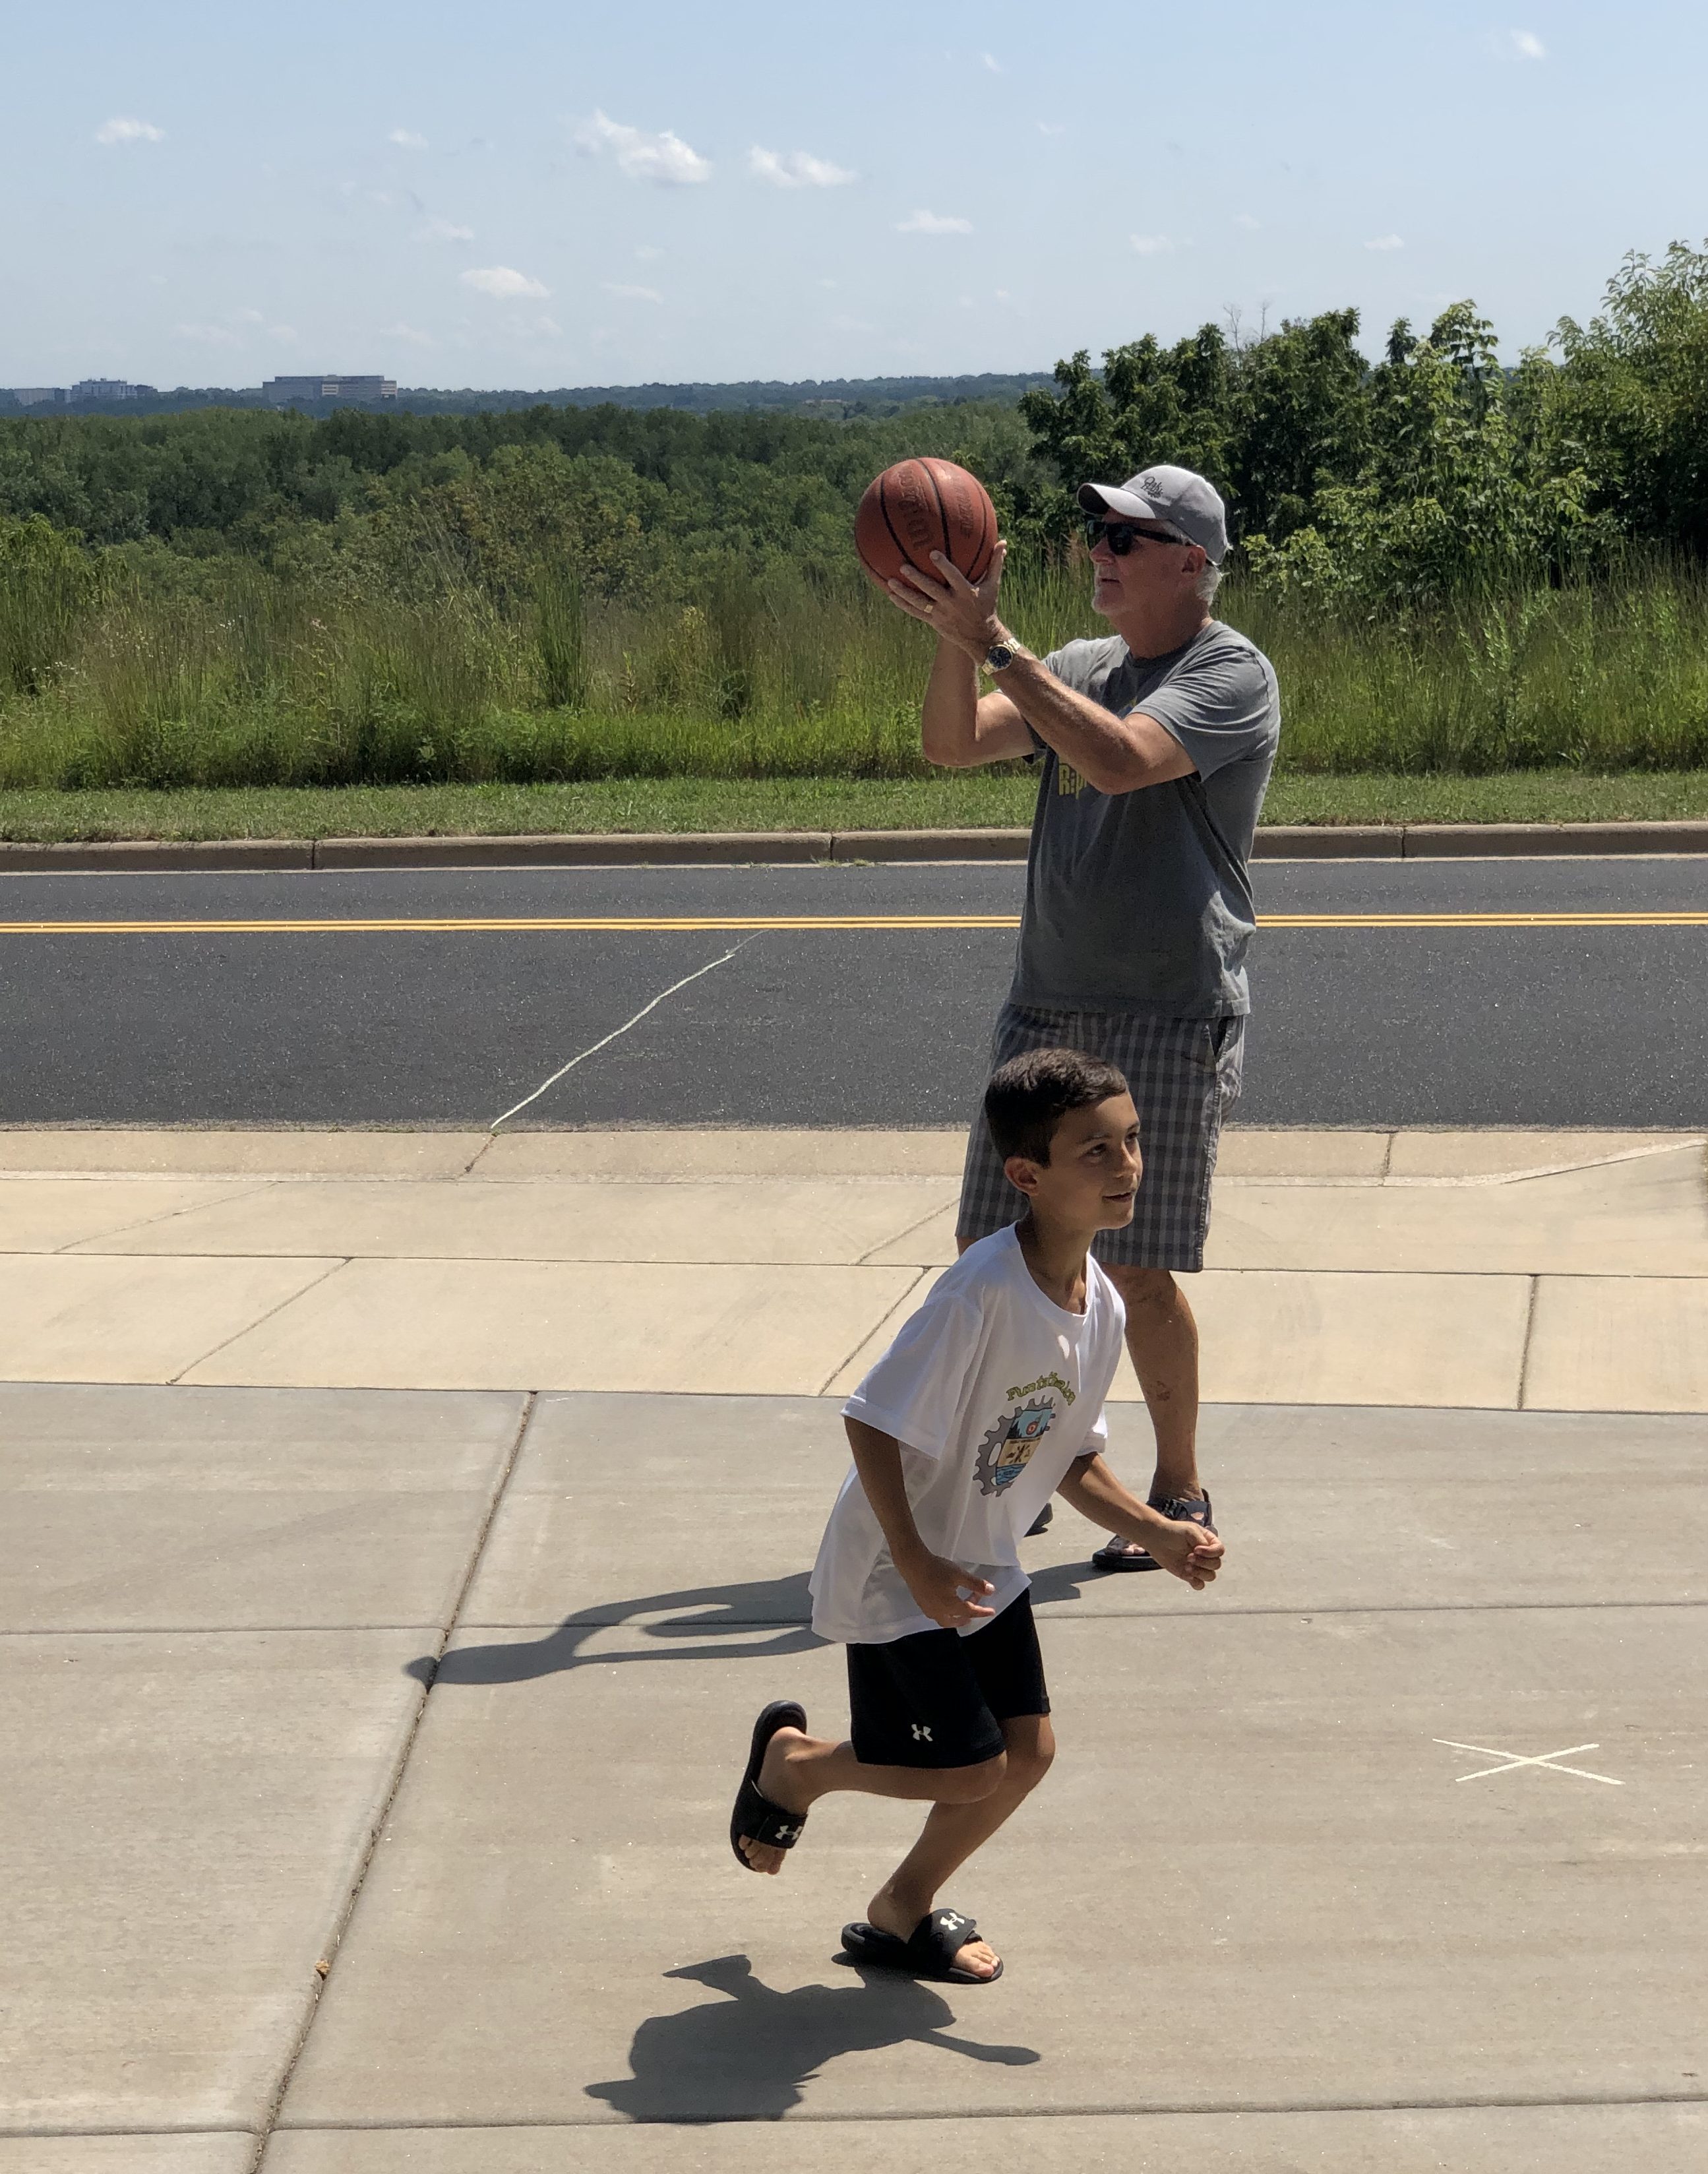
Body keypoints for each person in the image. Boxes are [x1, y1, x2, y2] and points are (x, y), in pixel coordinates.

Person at [729, 1047, 1224, 1986]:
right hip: (900, 1569)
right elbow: (872, 1421)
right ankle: (798, 1767)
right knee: (968, 1767)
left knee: (1026, 1754)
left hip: (984, 1560)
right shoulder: (980, 1293)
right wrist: (916, 1562)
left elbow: (1066, 1453)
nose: (1125, 1166)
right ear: (1026, 1175)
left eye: (1130, 1141)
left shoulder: (1100, 1304)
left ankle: (901, 1908)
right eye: (1094, 1151)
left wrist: (1156, 1532)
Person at [884, 464, 1279, 1571]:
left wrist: (994, 641)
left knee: (1136, 1264)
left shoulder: (1230, 672)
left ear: (1189, 561)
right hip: (1046, 1000)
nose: (1099, 548)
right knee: (997, 1249)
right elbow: (951, 743)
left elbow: (1116, 762)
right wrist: (952, 635)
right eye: (1095, 529)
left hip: (1164, 1004)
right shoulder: (1077, 665)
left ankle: (1178, 1486)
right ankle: (1033, 1471)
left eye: (1125, 536)